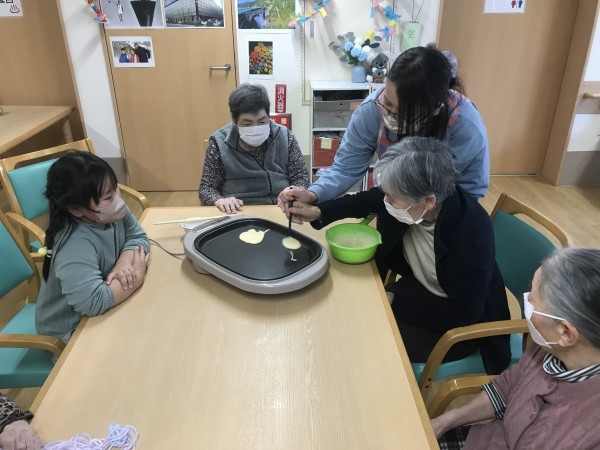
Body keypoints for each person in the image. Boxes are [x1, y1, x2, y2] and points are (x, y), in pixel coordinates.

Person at [288, 137, 509, 371]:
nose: (385, 202)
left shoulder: (470, 231)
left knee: (365, 343)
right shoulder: (413, 200)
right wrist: (318, 211)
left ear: (429, 201)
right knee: (348, 314)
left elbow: (464, 314)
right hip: (418, 291)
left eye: (391, 198)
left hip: (453, 325)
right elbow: (367, 200)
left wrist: (397, 301)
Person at [279, 44, 489, 214]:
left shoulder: (465, 125)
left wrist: (421, 215)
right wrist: (313, 194)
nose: (390, 114)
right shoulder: (371, 110)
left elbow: (466, 191)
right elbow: (345, 168)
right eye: (388, 103)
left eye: (404, 113)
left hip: (443, 212)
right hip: (398, 206)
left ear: (434, 109)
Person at [432, 248, 600, 449]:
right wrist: (445, 421)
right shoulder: (547, 348)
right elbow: (505, 389)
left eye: (533, 301)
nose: (526, 300)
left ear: (566, 333)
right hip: (486, 441)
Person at [36, 152, 150, 343]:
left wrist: (122, 263)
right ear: (76, 209)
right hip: (71, 332)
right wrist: (137, 275)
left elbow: (137, 236)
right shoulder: (74, 243)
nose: (118, 199)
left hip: (103, 306)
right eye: (108, 196)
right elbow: (93, 302)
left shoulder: (109, 212)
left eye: (115, 189)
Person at [199, 83, 310, 214]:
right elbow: (207, 189)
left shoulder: (284, 136)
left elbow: (301, 178)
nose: (256, 128)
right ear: (234, 120)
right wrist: (219, 200)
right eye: (247, 124)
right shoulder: (219, 143)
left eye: (262, 122)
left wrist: (293, 192)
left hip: (280, 208)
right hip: (238, 210)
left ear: (268, 116)